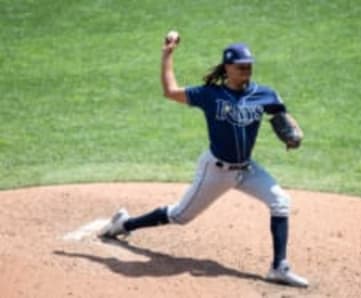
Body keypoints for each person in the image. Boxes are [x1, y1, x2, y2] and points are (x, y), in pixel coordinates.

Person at [99, 31, 309, 288]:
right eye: (241, 66)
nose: (246, 70)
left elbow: (282, 115)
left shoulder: (264, 94)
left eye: (249, 66)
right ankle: (124, 223)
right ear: (228, 67)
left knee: (280, 202)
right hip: (216, 170)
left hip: (247, 169)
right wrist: (167, 54)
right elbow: (170, 91)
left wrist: (292, 136)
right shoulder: (210, 95)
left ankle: (279, 267)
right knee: (180, 216)